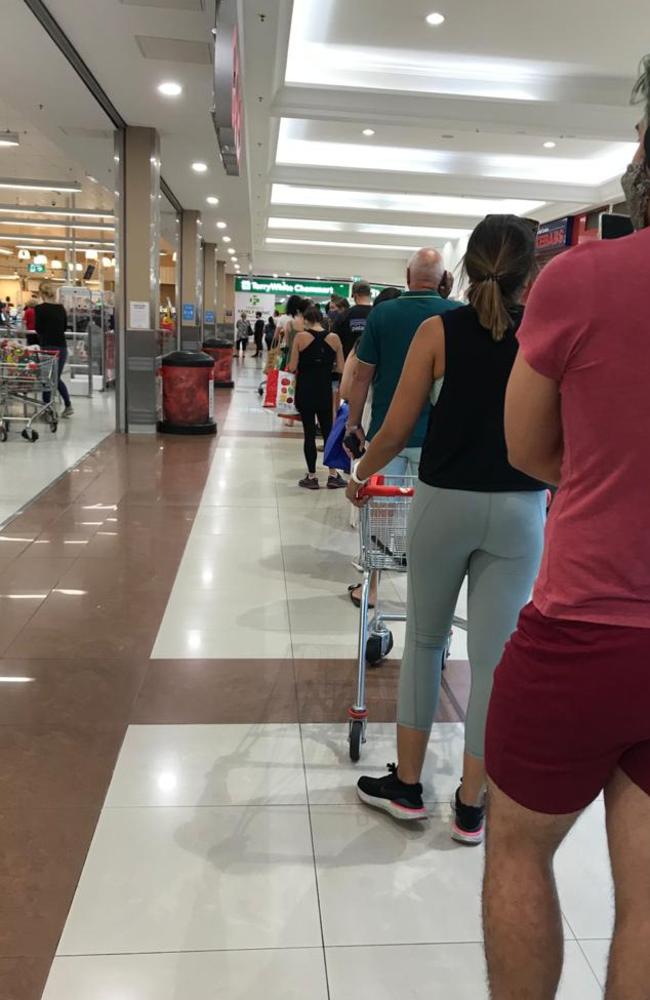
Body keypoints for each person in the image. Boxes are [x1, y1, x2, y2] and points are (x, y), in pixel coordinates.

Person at [482, 60, 650, 1000]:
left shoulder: (581, 281)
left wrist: (597, 477)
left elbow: (526, 447)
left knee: (517, 848)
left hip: (584, 626)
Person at [346, 217, 547, 844]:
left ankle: (407, 787)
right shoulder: (547, 334)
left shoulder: (438, 330)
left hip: (444, 498)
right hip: (519, 509)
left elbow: (399, 425)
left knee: (427, 641)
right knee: (493, 662)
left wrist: (360, 473)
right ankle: (470, 805)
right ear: (528, 274)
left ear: (466, 268)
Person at [344, 248, 460, 609]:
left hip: (386, 437)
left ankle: (372, 587)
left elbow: (363, 375)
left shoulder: (384, 314)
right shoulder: (457, 315)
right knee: (433, 523)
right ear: (443, 280)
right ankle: (429, 594)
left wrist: (353, 424)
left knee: (379, 515)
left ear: (408, 275)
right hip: (439, 440)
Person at [288, 302, 346, 491]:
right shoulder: (335, 338)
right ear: (322, 319)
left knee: (309, 434)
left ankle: (312, 476)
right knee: (329, 433)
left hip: (305, 390)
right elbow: (341, 367)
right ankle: (332, 474)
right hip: (324, 391)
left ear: (305, 320)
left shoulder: (300, 337)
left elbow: (292, 366)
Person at [35, 281, 73, 417]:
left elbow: (38, 328)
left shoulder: (39, 309)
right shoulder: (60, 308)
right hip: (62, 347)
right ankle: (68, 405)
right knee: (55, 378)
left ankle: (47, 409)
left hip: (47, 346)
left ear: (41, 293)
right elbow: (63, 327)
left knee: (47, 378)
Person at [333, 280, 373, 358]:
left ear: (355, 295)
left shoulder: (344, 315)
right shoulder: (378, 314)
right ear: (370, 294)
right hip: (371, 364)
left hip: (348, 361)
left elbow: (335, 341)